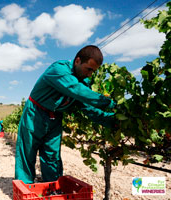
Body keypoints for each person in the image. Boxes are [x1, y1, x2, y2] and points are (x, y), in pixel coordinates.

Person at [15, 45, 117, 184]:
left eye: (93, 71)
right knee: (27, 154)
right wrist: (107, 103)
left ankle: (53, 190)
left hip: (55, 118)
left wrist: (114, 121)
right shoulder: (59, 69)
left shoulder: (83, 83)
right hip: (35, 114)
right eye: (88, 69)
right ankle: (24, 189)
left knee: (52, 157)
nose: (90, 74)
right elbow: (75, 90)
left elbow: (88, 108)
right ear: (77, 61)